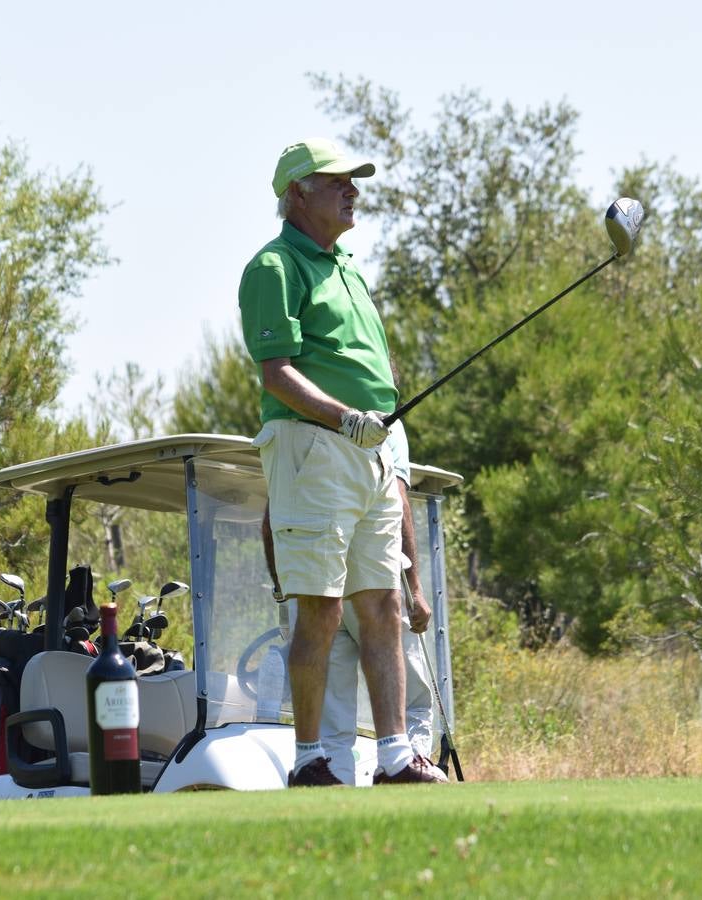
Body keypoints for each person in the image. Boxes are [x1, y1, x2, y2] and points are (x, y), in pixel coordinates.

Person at [239, 137, 442, 786]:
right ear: (298, 193)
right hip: (312, 448)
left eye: (355, 181)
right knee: (321, 607)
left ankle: (393, 755)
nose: (352, 191)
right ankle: (309, 761)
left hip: (371, 451)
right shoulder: (274, 268)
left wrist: (370, 422)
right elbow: (278, 374)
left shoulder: (347, 266)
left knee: (381, 602)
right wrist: (344, 418)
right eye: (337, 182)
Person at [262, 419, 449, 784]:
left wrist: (284, 591)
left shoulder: (299, 425)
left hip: (318, 585)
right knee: (410, 704)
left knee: (332, 725)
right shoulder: (385, 424)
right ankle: (406, 768)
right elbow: (396, 499)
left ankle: (337, 795)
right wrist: (415, 587)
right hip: (375, 585)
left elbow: (272, 517)